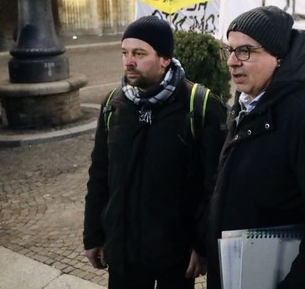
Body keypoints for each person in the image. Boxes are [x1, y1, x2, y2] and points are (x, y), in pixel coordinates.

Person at [208, 6, 305, 289]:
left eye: (245, 51)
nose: (231, 61)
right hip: (236, 273)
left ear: (278, 57)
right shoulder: (245, 106)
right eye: (229, 50)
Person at [83, 15, 228, 288]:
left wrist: (202, 245)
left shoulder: (200, 105)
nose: (129, 61)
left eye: (139, 53)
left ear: (164, 59)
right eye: (125, 53)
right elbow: (100, 174)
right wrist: (94, 236)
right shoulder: (114, 104)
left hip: (177, 256)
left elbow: (214, 185)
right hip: (124, 253)